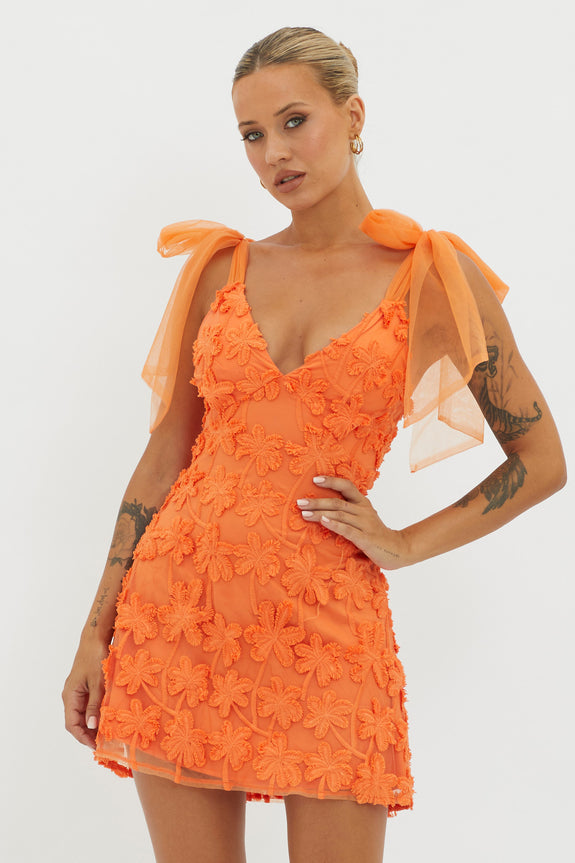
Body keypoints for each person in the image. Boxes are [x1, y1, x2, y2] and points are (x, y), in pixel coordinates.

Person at [62, 26, 566, 863]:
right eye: (251, 134)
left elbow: (541, 460)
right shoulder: (221, 268)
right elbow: (163, 459)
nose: (273, 154)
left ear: (352, 115)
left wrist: (403, 543)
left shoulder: (429, 275)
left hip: (325, 627)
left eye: (294, 121)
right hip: (177, 614)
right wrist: (95, 630)